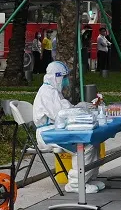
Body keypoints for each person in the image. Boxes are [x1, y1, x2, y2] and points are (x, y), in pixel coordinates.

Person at [33, 61, 106, 193]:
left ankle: (87, 178)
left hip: (57, 130)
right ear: (57, 76)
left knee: (93, 141)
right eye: (64, 77)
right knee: (84, 146)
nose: (66, 80)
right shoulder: (47, 93)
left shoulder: (53, 91)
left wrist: (78, 107)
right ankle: (75, 184)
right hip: (49, 134)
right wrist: (78, 109)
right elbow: (61, 115)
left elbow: (64, 111)